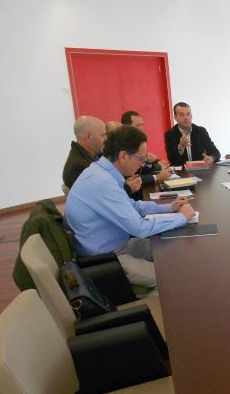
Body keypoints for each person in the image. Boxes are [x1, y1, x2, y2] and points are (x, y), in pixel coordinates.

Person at [66, 125, 195, 289]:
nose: (142, 165)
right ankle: (152, 303)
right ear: (123, 156)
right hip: (108, 258)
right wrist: (182, 217)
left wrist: (171, 207)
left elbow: (133, 205)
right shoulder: (102, 182)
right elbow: (140, 228)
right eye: (141, 159)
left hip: (119, 244)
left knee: (173, 250)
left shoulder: (102, 172)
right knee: (172, 279)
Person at [120, 110, 171, 187]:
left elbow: (144, 165)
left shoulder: (137, 143)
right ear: (126, 127)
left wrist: (157, 162)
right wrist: (157, 177)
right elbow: (131, 178)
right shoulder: (124, 146)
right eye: (137, 125)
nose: (142, 129)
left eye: (142, 125)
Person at [62, 116, 107, 188]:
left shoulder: (87, 156)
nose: (106, 139)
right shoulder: (79, 166)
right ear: (89, 137)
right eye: (103, 135)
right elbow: (102, 191)